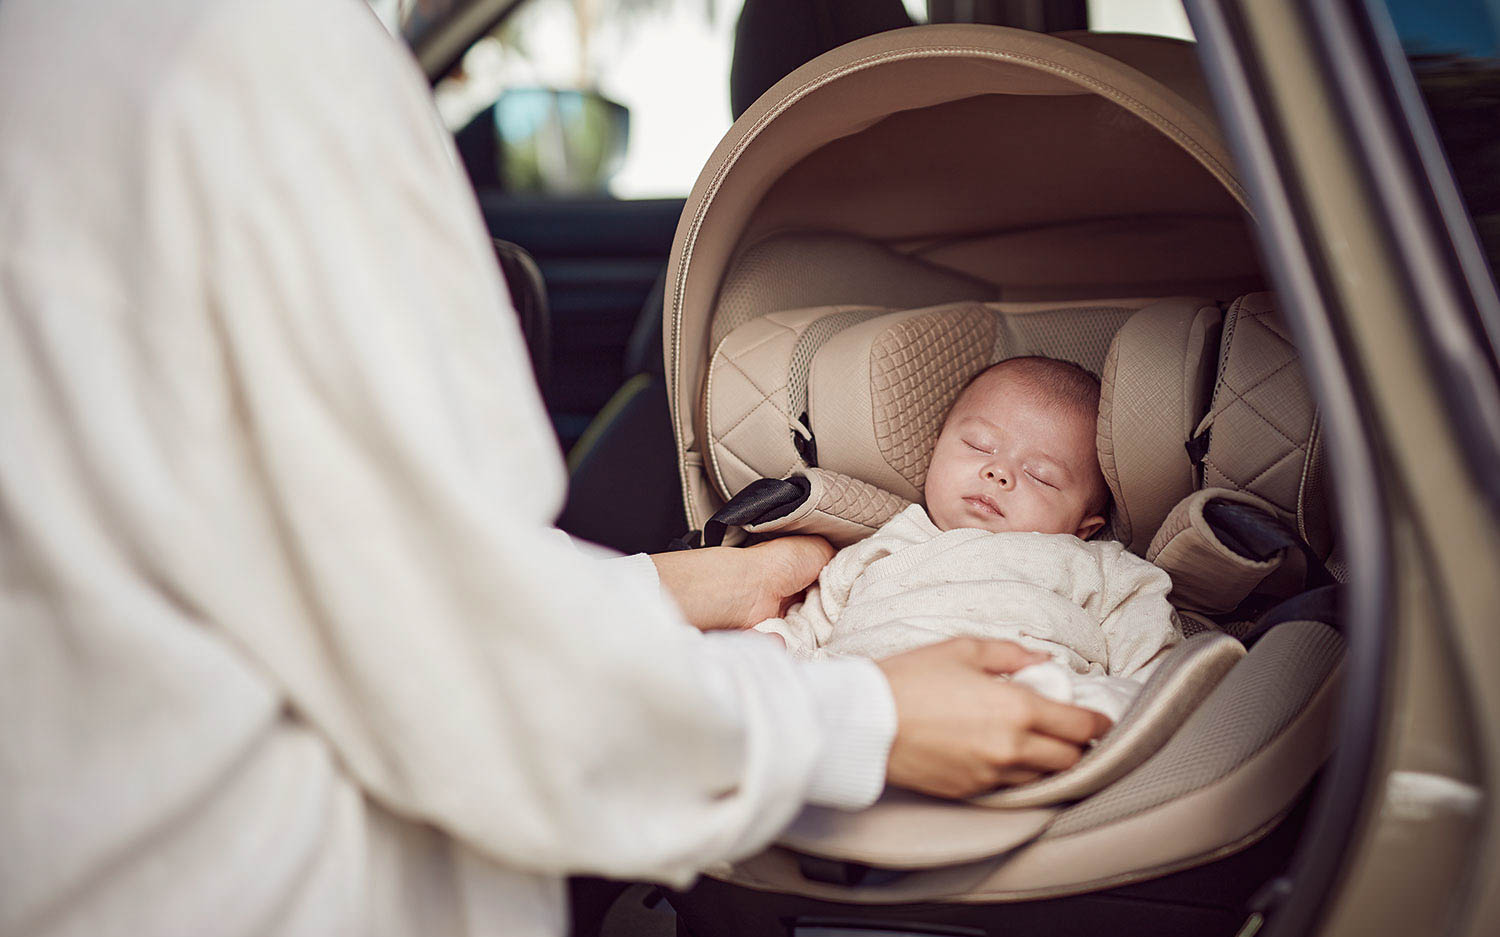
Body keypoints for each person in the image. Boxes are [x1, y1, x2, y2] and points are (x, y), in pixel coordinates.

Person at [0, 2, 1110, 935]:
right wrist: (859, 719)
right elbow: (466, 665)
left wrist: (669, 590)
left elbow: (324, 583)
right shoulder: (246, 64)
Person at [756, 357, 1181, 722]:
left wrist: (1136, 696)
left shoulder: (1096, 565)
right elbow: (817, 620)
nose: (999, 473)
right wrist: (781, 643)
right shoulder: (889, 543)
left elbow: (1147, 649)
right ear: (937, 448)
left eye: (1040, 476)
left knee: (1099, 705)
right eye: (979, 446)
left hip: (1026, 695)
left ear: (1084, 527)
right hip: (872, 698)